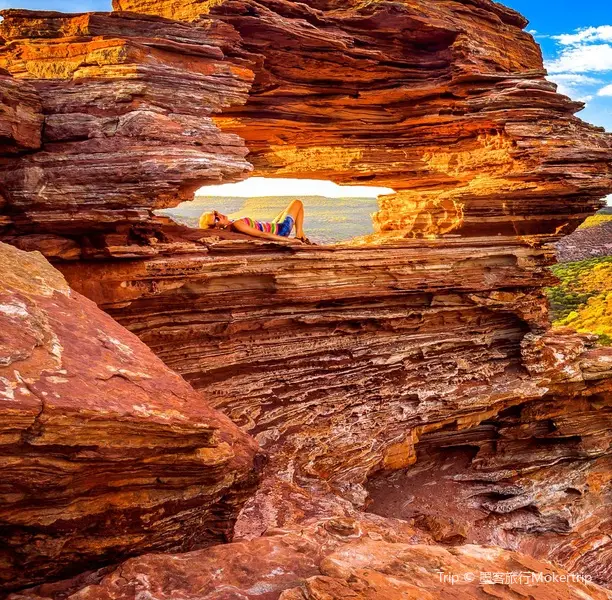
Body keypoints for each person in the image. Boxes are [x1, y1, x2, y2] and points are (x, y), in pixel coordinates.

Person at [199, 199, 311, 243]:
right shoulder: (236, 224)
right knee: (297, 203)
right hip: (280, 231)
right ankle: (300, 236)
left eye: (215, 213)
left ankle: (302, 236)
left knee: (285, 211)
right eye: (216, 219)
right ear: (217, 228)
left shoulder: (232, 224)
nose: (220, 215)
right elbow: (262, 234)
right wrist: (291, 241)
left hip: (273, 226)